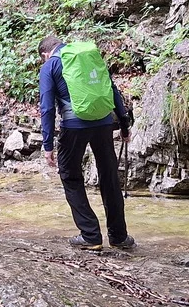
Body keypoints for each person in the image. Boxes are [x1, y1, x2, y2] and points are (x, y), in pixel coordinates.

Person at [38, 35, 136, 250]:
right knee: (109, 176)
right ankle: (119, 237)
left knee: (70, 176)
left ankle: (91, 235)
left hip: (74, 127)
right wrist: (124, 123)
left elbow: (47, 108)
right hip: (103, 124)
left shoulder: (50, 65)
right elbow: (112, 89)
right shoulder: (90, 57)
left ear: (45, 54)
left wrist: (47, 145)